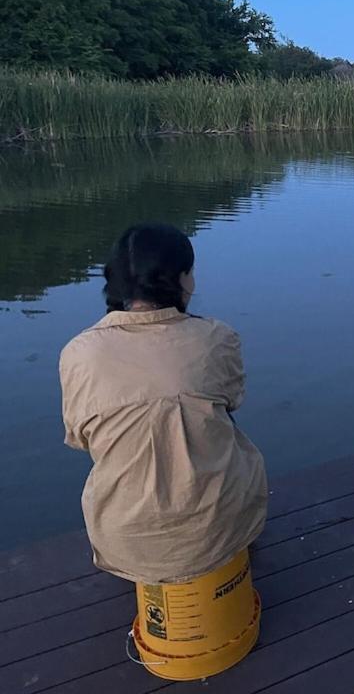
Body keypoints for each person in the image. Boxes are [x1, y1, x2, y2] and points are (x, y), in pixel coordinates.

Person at [59, 224, 267, 584]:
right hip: (223, 529)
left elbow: (81, 439)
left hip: (126, 542)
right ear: (182, 279)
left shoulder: (79, 353)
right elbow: (233, 400)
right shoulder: (217, 337)